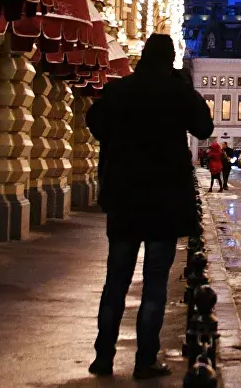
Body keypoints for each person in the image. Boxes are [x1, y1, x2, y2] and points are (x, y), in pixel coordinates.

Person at [84, 34, 213, 379]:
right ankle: (145, 360)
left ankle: (103, 357)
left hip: (124, 198)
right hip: (165, 202)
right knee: (155, 282)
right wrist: (182, 86)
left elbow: (95, 124)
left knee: (116, 281)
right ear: (170, 60)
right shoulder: (176, 92)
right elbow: (204, 126)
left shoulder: (119, 90)